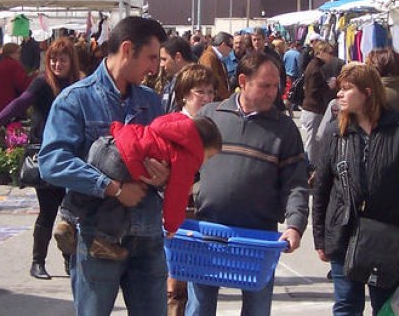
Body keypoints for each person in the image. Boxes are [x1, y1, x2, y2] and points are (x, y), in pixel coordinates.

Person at [38, 16, 172, 316]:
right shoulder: (76, 100)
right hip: (96, 235)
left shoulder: (150, 101)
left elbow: (167, 156)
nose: (155, 67)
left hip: (147, 234)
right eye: (151, 57)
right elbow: (52, 162)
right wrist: (111, 188)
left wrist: (164, 174)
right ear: (127, 49)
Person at [189, 51, 309, 316]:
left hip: (259, 238)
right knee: (199, 306)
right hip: (208, 231)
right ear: (243, 81)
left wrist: (295, 226)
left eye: (275, 86)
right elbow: (187, 167)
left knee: (256, 309)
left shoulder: (285, 129)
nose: (272, 93)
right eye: (265, 86)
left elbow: (296, 184)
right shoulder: (211, 116)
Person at [312, 63, 399, 316]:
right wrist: (320, 236)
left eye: (346, 89)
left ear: (367, 92)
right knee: (346, 305)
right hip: (343, 232)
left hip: (387, 233)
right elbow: (321, 188)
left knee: (385, 305)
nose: (339, 94)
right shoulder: (335, 133)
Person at [54, 114, 222, 261]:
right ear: (201, 147)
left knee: (90, 189)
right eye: (209, 156)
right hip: (123, 161)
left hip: (105, 144)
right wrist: (172, 225)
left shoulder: (170, 128)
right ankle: (103, 240)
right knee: (121, 200)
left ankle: (66, 221)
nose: (205, 161)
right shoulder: (188, 158)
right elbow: (176, 196)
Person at [0, 37, 82, 280]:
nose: (57, 64)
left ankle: (70, 261)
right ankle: (37, 262)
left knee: (71, 214)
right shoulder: (41, 82)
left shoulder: (79, 84)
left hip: (72, 154)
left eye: (62, 59)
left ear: (71, 61)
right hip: (46, 155)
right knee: (48, 212)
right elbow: (21, 102)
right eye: (53, 59)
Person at [164, 64, 218, 316]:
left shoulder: (214, 125)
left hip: (207, 211)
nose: (207, 98)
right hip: (178, 212)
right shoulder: (175, 126)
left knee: (203, 283)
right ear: (184, 94)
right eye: (200, 92)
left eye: (210, 92)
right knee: (176, 285)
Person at [300, 41, 338, 164]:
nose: (331, 56)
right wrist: (329, 86)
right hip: (313, 110)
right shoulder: (315, 68)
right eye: (329, 53)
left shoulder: (316, 66)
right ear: (321, 53)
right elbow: (313, 91)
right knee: (313, 144)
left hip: (312, 109)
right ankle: (310, 169)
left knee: (314, 142)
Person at [0, 42, 30, 119]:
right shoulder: (13, 65)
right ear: (11, 53)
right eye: (18, 52)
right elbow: (23, 84)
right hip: (8, 103)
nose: (20, 55)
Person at [155, 37, 195, 112]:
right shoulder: (172, 81)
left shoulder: (196, 82)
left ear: (178, 57)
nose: (161, 65)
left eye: (164, 59)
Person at [196, 33, 234, 100]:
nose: (231, 50)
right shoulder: (209, 57)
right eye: (231, 46)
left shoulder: (216, 57)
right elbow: (212, 81)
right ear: (223, 45)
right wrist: (227, 98)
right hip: (214, 101)